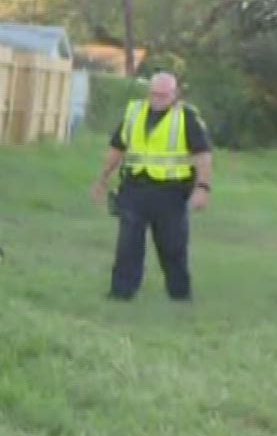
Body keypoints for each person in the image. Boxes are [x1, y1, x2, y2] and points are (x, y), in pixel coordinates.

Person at [90, 72, 213, 301]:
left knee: (172, 246)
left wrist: (203, 187)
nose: (158, 99)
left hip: (172, 192)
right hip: (135, 187)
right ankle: (121, 293)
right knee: (128, 244)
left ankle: (179, 295)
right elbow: (117, 147)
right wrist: (103, 178)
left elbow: (203, 154)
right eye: (154, 94)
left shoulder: (186, 116)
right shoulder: (134, 112)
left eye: (164, 95)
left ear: (175, 94)